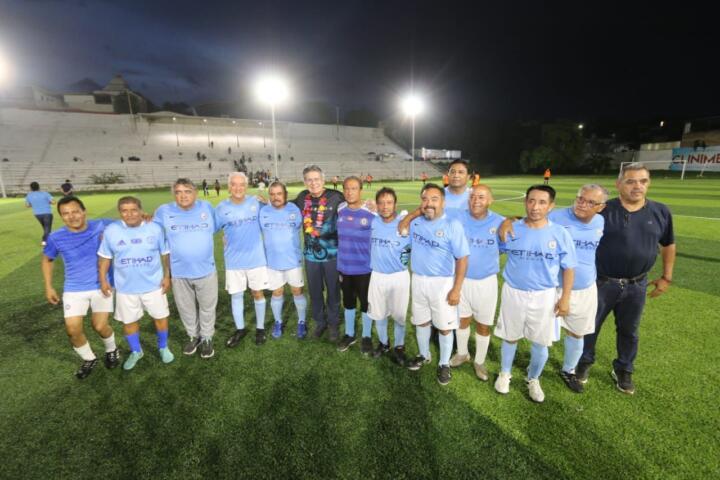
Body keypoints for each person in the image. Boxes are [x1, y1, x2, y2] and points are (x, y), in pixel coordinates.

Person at [576, 164, 675, 395]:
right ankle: (583, 363)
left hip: (637, 284)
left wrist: (666, 277)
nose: (637, 186)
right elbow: (565, 222)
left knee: (629, 330)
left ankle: (623, 369)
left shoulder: (661, 212)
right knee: (590, 326)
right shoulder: (602, 209)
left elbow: (668, 244)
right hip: (601, 281)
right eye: (630, 181)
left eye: (643, 181)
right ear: (618, 184)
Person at [494, 185, 576, 403]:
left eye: (541, 202)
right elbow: (495, 248)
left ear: (551, 206)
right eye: (531, 201)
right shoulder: (511, 229)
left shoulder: (559, 233)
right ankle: (505, 373)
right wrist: (507, 220)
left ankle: (534, 379)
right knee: (509, 336)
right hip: (513, 291)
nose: (535, 207)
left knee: (541, 342)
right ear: (525, 202)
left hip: (544, 295)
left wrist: (565, 298)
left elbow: (569, 267)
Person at [41, 196, 119, 379]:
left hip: (103, 285)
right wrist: (48, 286)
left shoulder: (103, 225)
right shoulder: (56, 237)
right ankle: (89, 358)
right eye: (66, 214)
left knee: (100, 326)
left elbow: (129, 223)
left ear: (84, 211)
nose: (72, 216)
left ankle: (112, 349)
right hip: (74, 289)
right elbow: (47, 260)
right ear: (61, 216)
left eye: (75, 211)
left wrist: (145, 217)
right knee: (72, 329)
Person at [98, 196, 174, 370]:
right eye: (124, 210)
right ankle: (136, 351)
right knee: (129, 322)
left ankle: (163, 347)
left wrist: (167, 276)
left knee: (160, 318)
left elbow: (165, 254)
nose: (129, 214)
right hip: (125, 288)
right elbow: (105, 258)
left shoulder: (155, 228)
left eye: (133, 210)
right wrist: (103, 279)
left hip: (154, 285)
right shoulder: (111, 230)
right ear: (120, 212)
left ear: (141, 210)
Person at [406, 183, 470, 386]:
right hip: (418, 280)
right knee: (422, 321)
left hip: (442, 283)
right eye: (425, 199)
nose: (429, 203)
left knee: (444, 327)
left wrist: (456, 289)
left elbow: (462, 258)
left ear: (443, 202)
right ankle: (424, 354)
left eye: (434, 199)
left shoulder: (452, 224)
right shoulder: (415, 223)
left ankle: (444, 363)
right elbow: (400, 228)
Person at [154, 179, 218, 359]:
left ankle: (206, 338)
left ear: (195, 193)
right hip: (179, 272)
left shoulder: (206, 207)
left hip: (206, 269)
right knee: (186, 308)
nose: (183, 195)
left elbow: (221, 224)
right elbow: (151, 229)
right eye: (178, 192)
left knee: (207, 307)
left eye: (187, 191)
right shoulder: (164, 211)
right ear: (174, 194)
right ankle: (193, 336)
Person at [449, 185, 505, 381]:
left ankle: (479, 361)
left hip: (486, 282)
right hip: (460, 280)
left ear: (490, 200)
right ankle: (462, 353)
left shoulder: (499, 222)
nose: (476, 201)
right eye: (472, 197)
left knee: (483, 324)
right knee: (462, 319)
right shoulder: (457, 218)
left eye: (481, 197)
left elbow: (505, 247)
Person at [215, 172, 270, 347]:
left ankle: (260, 328)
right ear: (229, 187)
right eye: (234, 184)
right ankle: (240, 329)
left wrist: (268, 202)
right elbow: (210, 228)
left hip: (256, 259)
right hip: (234, 260)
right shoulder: (221, 208)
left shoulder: (256, 202)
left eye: (241, 184)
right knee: (236, 295)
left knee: (257, 293)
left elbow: (273, 212)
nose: (238, 188)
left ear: (246, 187)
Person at [292, 165, 345, 340]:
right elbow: (284, 207)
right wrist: (265, 203)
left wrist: (370, 205)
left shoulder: (336, 197)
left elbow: (351, 209)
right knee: (314, 290)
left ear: (323, 180)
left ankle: (333, 322)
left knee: (333, 289)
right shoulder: (301, 198)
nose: (313, 183)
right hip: (310, 255)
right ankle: (320, 322)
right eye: (309, 179)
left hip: (332, 254)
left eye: (316, 179)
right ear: (304, 182)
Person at [367, 187, 411, 365]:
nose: (385, 206)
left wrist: (408, 216)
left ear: (395, 204)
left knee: (399, 316)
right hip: (377, 275)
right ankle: (384, 343)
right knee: (379, 314)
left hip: (399, 276)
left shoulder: (406, 224)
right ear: (376, 205)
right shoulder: (373, 221)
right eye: (381, 203)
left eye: (389, 202)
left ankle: (399, 346)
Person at [260, 181, 308, 339]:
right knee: (277, 292)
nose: (276, 197)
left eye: (279, 194)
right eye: (272, 194)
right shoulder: (263, 211)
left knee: (297, 291)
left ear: (285, 195)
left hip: (293, 260)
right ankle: (278, 321)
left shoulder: (295, 209)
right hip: (272, 262)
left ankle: (301, 322)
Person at [336, 176, 376, 355]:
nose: (349, 192)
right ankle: (350, 334)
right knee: (349, 302)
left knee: (366, 304)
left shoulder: (371, 212)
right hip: (344, 267)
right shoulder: (341, 209)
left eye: (353, 188)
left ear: (361, 190)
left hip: (364, 268)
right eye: (346, 188)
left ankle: (366, 336)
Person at [25, 182, 55, 246]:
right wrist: (48, 202)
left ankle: (49, 240)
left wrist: (35, 204)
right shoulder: (45, 193)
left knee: (45, 228)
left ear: (31, 188)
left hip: (37, 214)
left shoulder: (29, 195)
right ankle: (44, 241)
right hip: (47, 212)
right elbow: (53, 202)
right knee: (47, 228)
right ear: (39, 187)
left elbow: (27, 205)